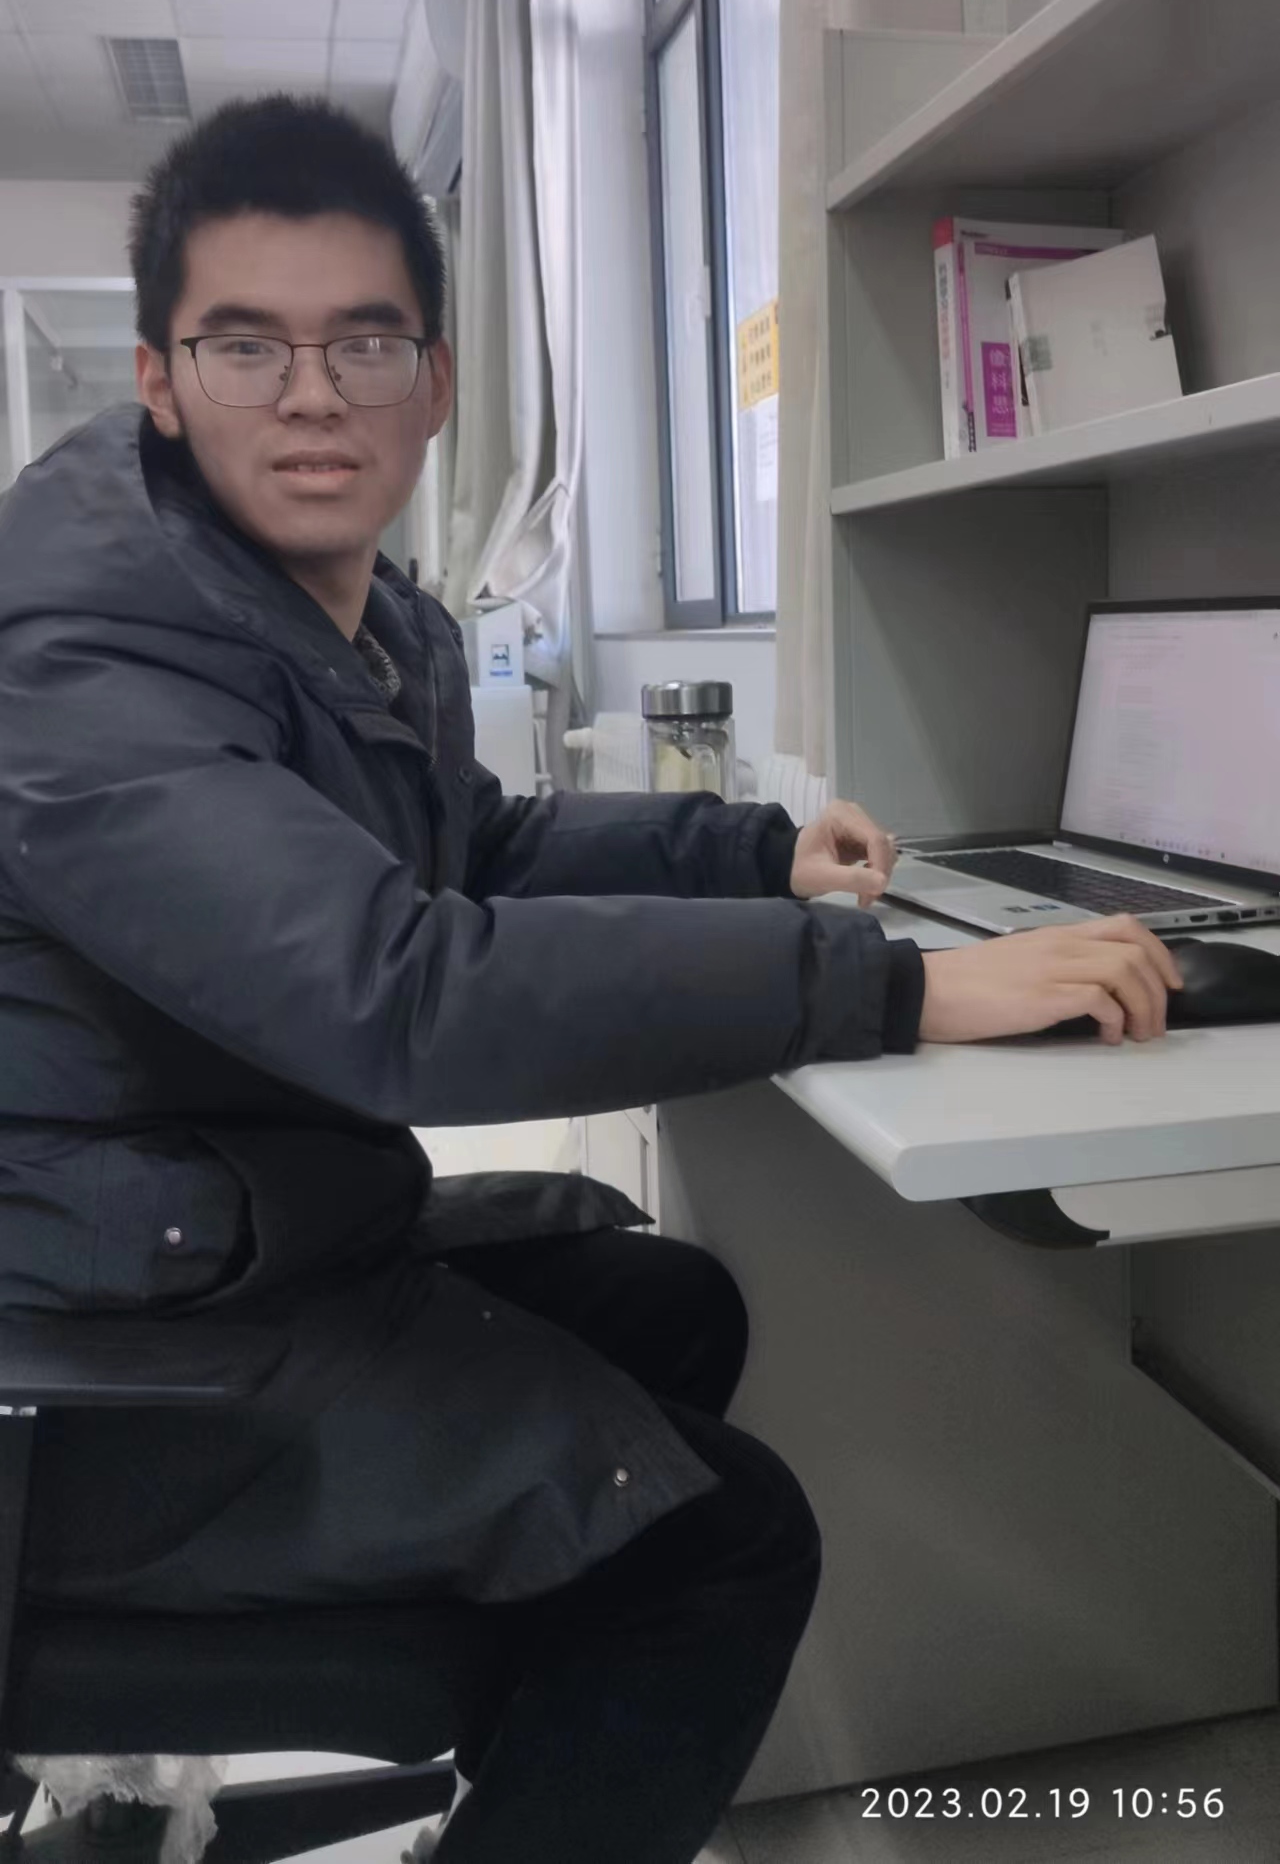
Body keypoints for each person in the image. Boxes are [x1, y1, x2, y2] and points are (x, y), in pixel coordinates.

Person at [0, 97, 1180, 1864]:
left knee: (672, 1309)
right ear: (162, 381)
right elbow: (400, 992)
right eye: (247, 345)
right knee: (726, 1545)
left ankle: (540, 1778)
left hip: (213, 1238)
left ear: (435, 384)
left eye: (363, 342)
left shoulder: (342, 616)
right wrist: (897, 988)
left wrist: (754, 856)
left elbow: (471, 846)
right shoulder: (92, 658)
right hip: (94, 1352)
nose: (313, 396)